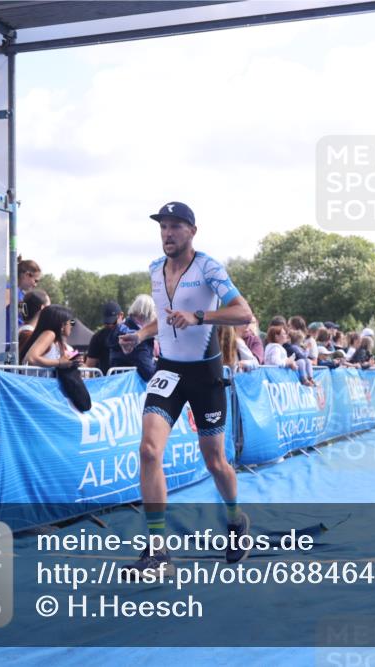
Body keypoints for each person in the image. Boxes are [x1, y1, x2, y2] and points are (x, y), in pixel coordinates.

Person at [119, 201, 254, 571]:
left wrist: (199, 316)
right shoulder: (154, 269)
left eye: (176, 226)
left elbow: (243, 313)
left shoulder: (208, 267)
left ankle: (235, 520)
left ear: (192, 231)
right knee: (148, 450)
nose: (168, 233)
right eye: (163, 226)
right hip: (170, 373)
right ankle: (158, 550)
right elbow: (165, 322)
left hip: (206, 376)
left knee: (215, 461)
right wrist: (141, 336)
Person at [110, 295, 157, 382]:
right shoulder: (135, 337)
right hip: (130, 389)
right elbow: (149, 373)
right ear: (148, 314)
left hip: (118, 385)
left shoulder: (120, 329)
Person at [85, 301, 123, 376]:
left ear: (121, 315)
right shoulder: (97, 337)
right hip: (105, 382)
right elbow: (89, 366)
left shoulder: (131, 334)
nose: (109, 325)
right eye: (107, 323)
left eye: (113, 322)